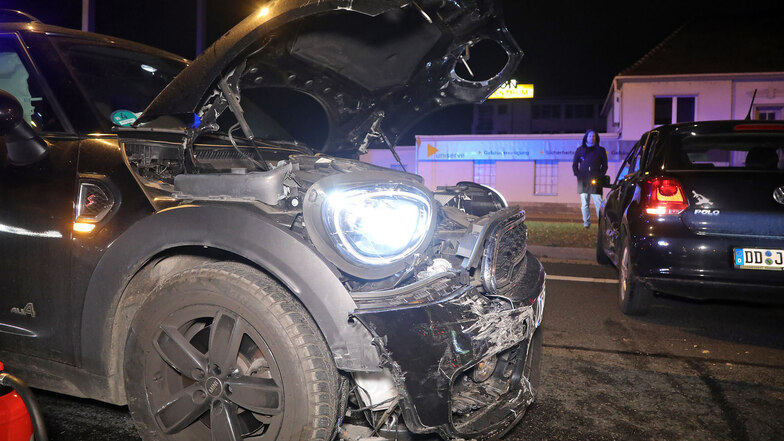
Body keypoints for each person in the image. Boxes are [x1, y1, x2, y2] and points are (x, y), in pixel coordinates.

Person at [572, 130, 607, 228]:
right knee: (584, 203)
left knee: (599, 203)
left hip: (596, 181)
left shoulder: (601, 150)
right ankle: (586, 223)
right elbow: (575, 165)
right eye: (590, 136)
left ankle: (601, 224)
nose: (592, 137)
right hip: (583, 181)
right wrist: (578, 175)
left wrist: (600, 176)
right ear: (586, 137)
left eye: (594, 136)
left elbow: (604, 166)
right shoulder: (580, 150)